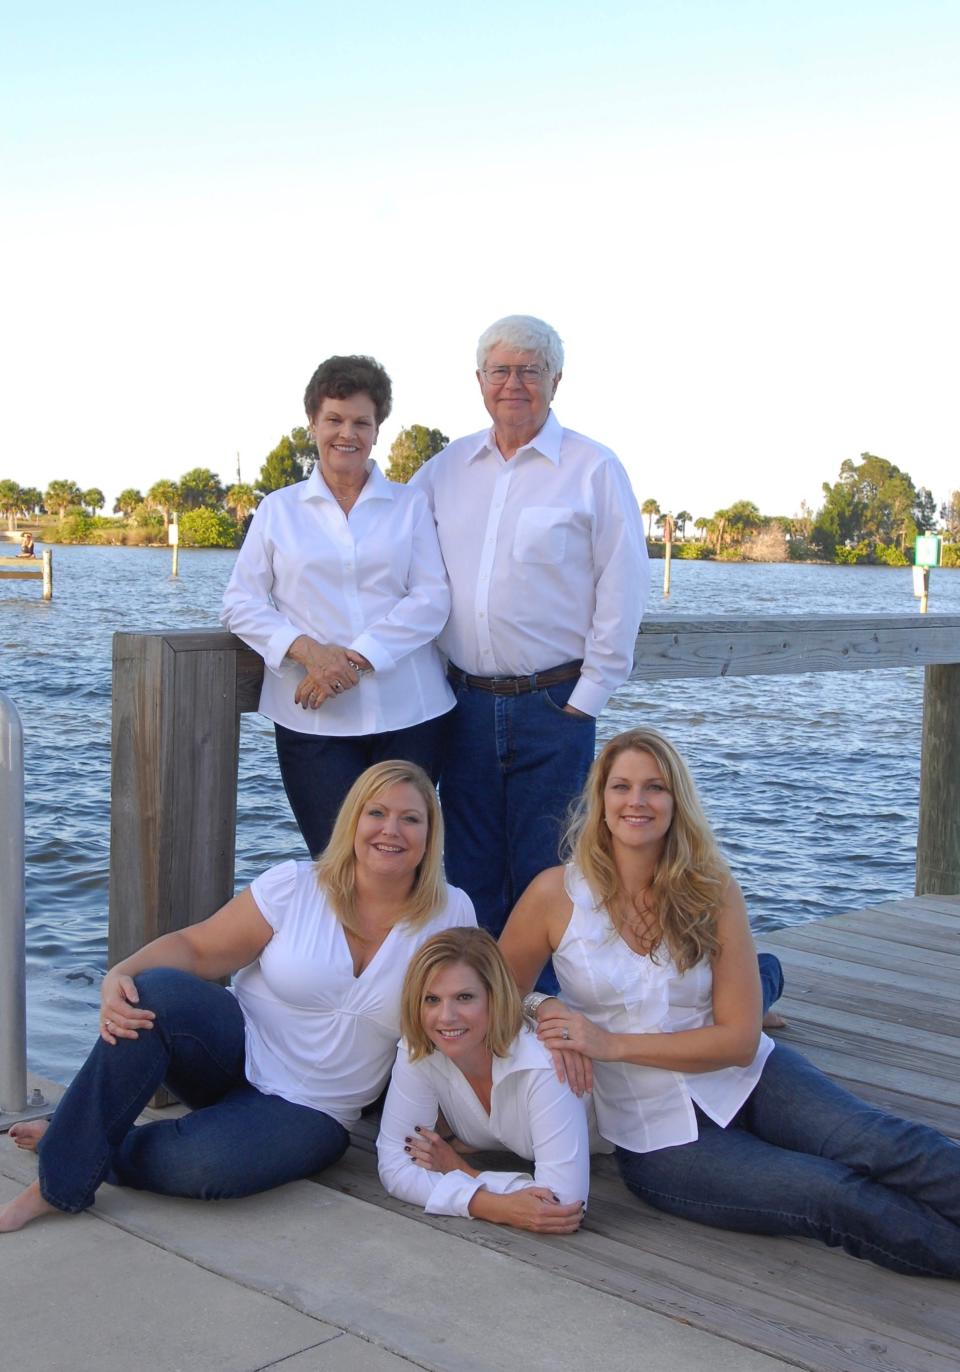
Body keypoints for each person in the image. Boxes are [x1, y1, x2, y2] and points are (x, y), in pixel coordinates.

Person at [500, 728, 960, 1277]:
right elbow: (496, 991)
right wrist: (542, 1007)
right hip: (658, 1137)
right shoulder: (554, 895)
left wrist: (607, 1042)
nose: (637, 801)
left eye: (655, 787)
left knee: (882, 1141)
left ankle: (767, 981)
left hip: (750, 1079)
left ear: (677, 802)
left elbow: (740, 1041)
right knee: (830, 1192)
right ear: (600, 801)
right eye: (621, 786)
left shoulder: (712, 889)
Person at [0, 761, 475, 1233]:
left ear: (430, 835)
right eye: (377, 813)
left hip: (314, 1110)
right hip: (231, 1049)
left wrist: (460, 1125)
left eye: (410, 818)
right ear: (354, 820)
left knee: (205, 1168)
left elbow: (466, 1018)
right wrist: (119, 973)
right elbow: (198, 947)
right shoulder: (296, 885)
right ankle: (57, 1181)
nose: (390, 830)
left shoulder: (450, 913)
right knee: (152, 992)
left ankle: (74, 1139)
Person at [411, 315, 649, 971]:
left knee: (551, 874)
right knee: (468, 873)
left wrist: (589, 698)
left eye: (530, 370)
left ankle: (545, 1028)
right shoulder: (443, 471)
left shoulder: (594, 469)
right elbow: (393, 562)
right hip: (460, 705)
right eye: (501, 370)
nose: (514, 384)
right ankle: (479, 1022)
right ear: (480, 381)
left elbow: (623, 584)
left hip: (555, 705)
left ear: (556, 380)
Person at [223, 355, 454, 857]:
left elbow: (432, 599)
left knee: (404, 866)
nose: (346, 434)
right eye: (334, 419)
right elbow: (240, 603)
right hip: (312, 723)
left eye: (361, 422)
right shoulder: (277, 510)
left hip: (411, 717)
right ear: (312, 424)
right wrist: (307, 651)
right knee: (335, 866)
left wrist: (350, 660)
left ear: (377, 430)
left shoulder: (410, 505)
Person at [377, 927, 588, 1232]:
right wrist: (491, 1206)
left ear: (494, 997)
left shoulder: (543, 1062)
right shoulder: (419, 1046)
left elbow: (564, 1205)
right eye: (432, 999)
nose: (446, 1016)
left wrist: (461, 1171)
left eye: (464, 997)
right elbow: (396, 1167)